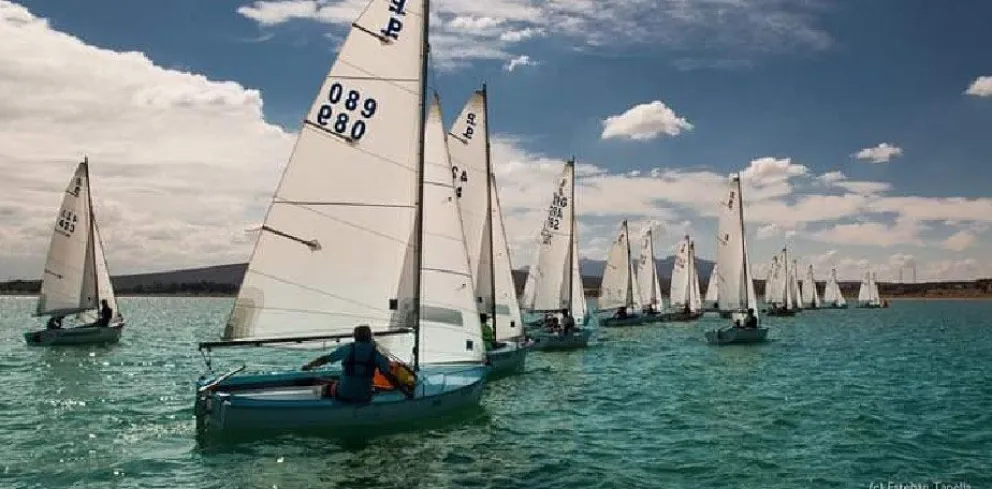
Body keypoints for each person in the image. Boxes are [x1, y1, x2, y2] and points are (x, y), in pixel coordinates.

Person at [301, 325, 413, 402]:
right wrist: (406, 393)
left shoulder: (348, 349)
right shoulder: (377, 355)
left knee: (326, 386)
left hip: (343, 395)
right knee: (363, 385)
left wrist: (309, 366)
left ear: (355, 337)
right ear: (370, 337)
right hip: (364, 397)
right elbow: (389, 376)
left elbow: (325, 359)